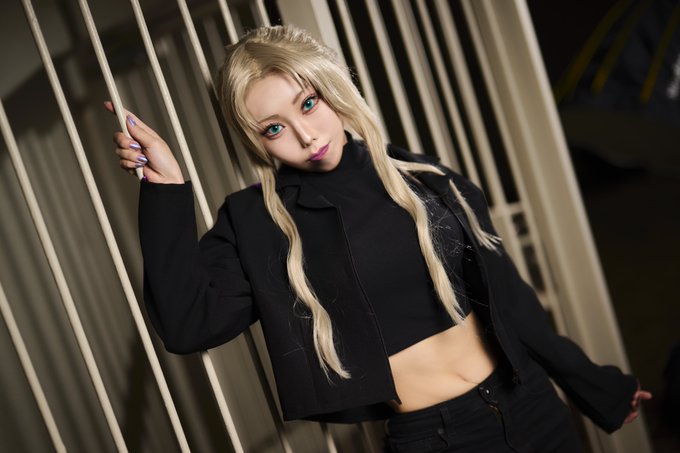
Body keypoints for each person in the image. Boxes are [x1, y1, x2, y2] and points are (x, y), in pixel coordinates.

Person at [107, 25, 651, 452]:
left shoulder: (422, 176)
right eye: (273, 128)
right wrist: (166, 190)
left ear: (332, 88)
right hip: (435, 438)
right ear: (256, 140)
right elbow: (188, 325)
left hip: (530, 402)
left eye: (308, 103)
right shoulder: (258, 221)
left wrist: (594, 386)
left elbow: (511, 301)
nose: (306, 136)